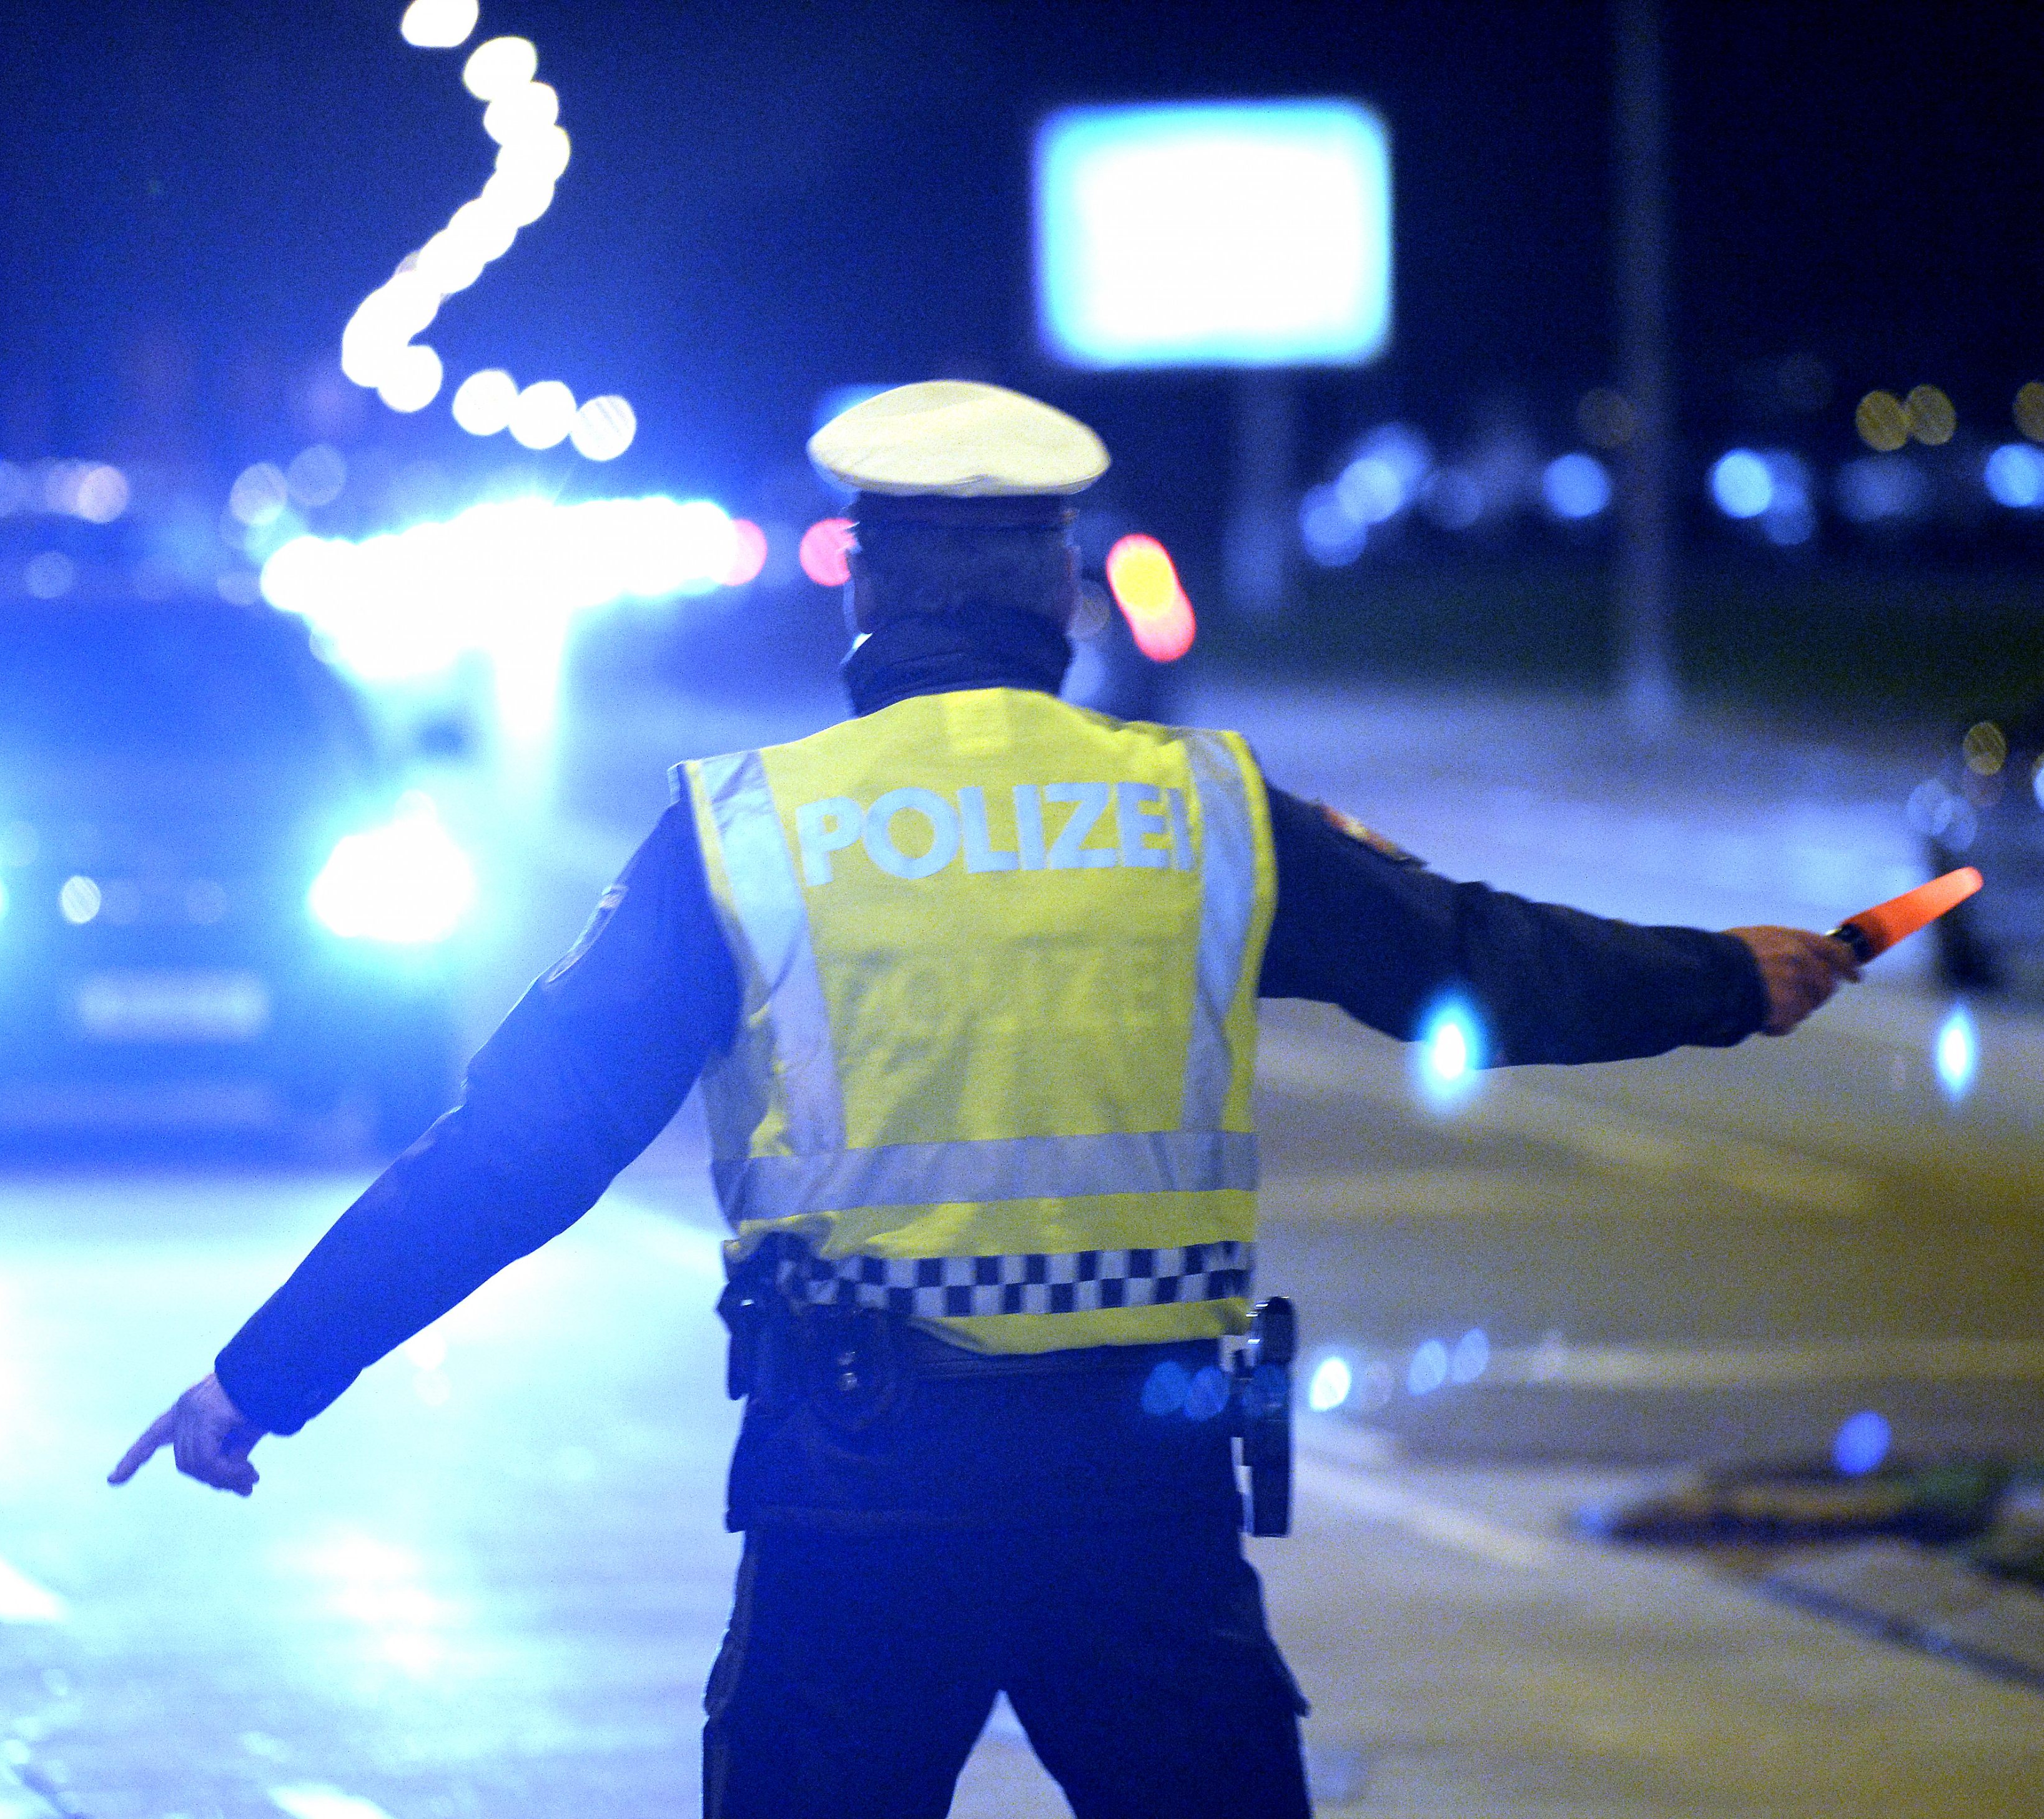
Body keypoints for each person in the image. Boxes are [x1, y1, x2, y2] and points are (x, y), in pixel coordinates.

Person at [111, 382, 1859, 1818]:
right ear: (1063, 594)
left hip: (853, 1488)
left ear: (862, 586)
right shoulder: (1200, 810)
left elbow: (522, 1146)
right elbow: (1479, 963)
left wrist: (262, 1379)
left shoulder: (748, 827)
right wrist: (1727, 978)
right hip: (1144, 1492)